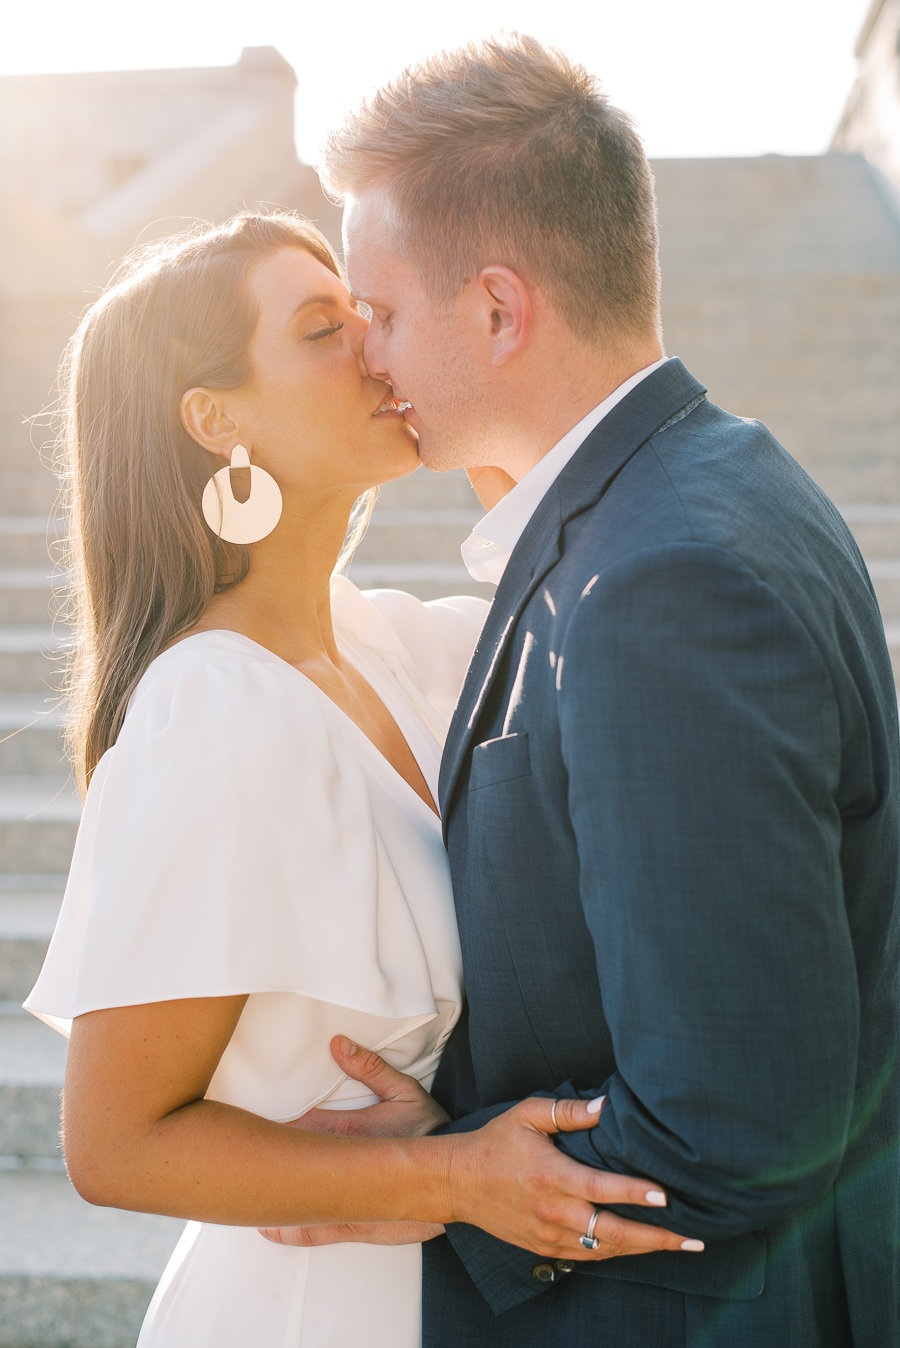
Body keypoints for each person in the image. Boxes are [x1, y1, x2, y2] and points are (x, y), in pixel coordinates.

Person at [266, 33, 900, 1346]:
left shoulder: (662, 585)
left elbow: (735, 1115)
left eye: (379, 314)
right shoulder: (706, 482)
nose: (367, 354)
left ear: (498, 310)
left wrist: (441, 1170)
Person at [23, 211, 694, 1348]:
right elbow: (114, 1143)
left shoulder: (407, 647)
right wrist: (453, 1176)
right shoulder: (212, 710)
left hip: (447, 1295)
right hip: (301, 1311)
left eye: (368, 316)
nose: (378, 348)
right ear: (217, 418)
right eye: (324, 326)